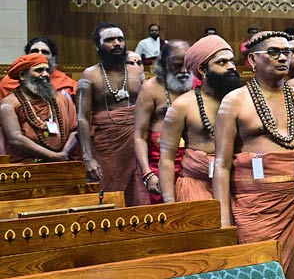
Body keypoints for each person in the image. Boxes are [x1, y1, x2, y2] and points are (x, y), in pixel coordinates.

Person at [213, 30, 294, 279]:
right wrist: (223, 221)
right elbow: (221, 165)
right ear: (253, 60)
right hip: (254, 209)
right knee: (259, 276)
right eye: (274, 52)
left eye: (287, 52)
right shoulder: (234, 101)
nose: (283, 58)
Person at [159, 35, 240, 203]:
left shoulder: (241, 101)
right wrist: (170, 204)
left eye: (232, 61)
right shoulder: (182, 106)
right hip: (196, 186)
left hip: (236, 184)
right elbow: (166, 158)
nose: (231, 67)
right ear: (203, 70)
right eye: (222, 62)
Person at [77, 23, 150, 206]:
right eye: (109, 40)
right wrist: (88, 158)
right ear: (97, 45)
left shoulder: (136, 73)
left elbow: (148, 110)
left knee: (138, 195)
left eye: (120, 39)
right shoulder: (89, 75)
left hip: (136, 143)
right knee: (107, 196)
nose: (117, 43)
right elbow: (83, 118)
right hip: (106, 147)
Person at [133, 39, 191, 203]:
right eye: (177, 65)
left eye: (187, 64)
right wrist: (147, 174)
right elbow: (139, 136)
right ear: (165, 63)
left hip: (190, 167)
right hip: (157, 165)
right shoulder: (150, 88)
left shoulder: (196, 86)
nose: (184, 70)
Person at [0, 53, 78, 163]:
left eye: (47, 70)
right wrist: (53, 156)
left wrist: (64, 154)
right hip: (26, 168)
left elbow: (75, 130)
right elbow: (15, 138)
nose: (45, 74)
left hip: (62, 164)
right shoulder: (9, 104)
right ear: (22, 75)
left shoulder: (61, 100)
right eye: (39, 70)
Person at [0, 38, 77, 100]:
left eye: (44, 52)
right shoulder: (9, 82)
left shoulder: (67, 83)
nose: (39, 54)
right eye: (34, 51)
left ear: (53, 57)